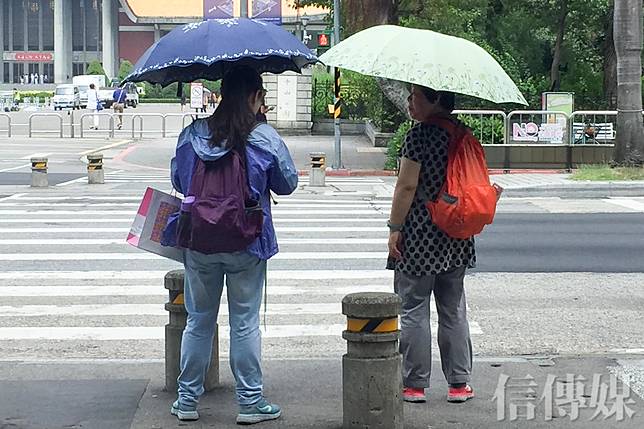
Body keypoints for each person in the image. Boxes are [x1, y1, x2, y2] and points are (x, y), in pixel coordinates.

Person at [168, 65, 298, 424]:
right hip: (247, 241)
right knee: (244, 323)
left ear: (223, 94)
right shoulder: (264, 137)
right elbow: (288, 183)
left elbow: (178, 178)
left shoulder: (192, 134)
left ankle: (187, 401)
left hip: (199, 241)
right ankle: (250, 403)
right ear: (255, 97)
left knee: (198, 322)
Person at [387, 85, 476, 405]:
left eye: (415, 97)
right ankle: (459, 384)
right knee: (453, 309)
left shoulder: (419, 137)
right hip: (457, 232)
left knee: (413, 308)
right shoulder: (464, 134)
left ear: (436, 99)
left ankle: (414, 384)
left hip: (421, 234)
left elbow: (406, 186)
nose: (410, 102)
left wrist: (395, 229)